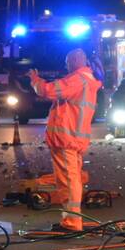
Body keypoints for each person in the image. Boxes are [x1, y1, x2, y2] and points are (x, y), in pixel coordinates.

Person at [28, 48, 103, 232]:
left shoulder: (78, 79)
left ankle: (72, 223)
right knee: (71, 180)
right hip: (74, 138)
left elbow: (48, 90)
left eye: (67, 62)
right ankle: (71, 220)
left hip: (66, 139)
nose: (65, 65)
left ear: (75, 61)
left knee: (69, 182)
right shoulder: (87, 80)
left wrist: (35, 80)